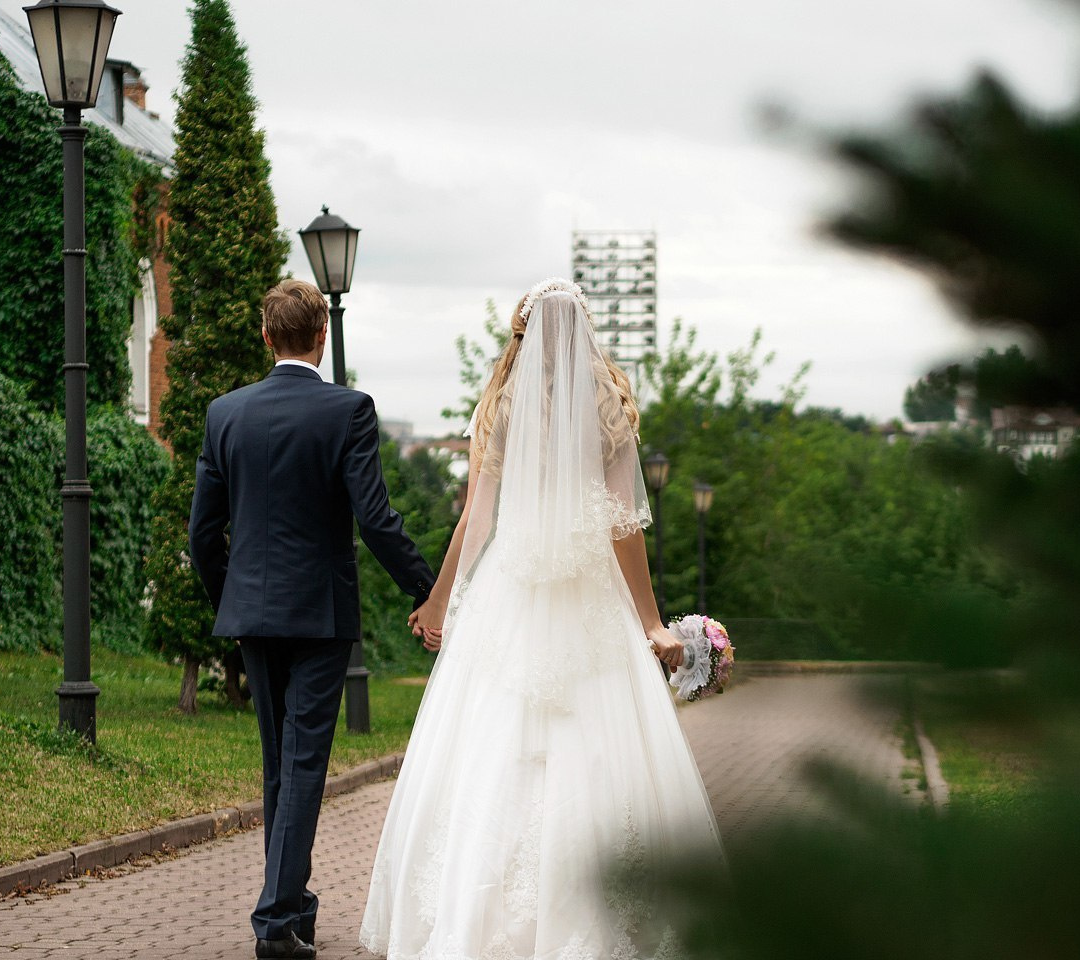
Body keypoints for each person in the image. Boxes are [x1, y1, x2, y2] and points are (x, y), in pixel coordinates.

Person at [360, 278, 724, 960]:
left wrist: (440, 598)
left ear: (522, 336)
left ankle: (479, 921)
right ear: (585, 334)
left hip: (513, 587)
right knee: (597, 737)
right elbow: (623, 526)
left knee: (494, 740)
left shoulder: (498, 405)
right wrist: (651, 622)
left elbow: (476, 519)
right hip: (589, 591)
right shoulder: (609, 405)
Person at [189, 278, 436, 960]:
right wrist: (426, 588)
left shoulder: (225, 414)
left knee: (281, 765)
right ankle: (276, 921)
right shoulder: (348, 410)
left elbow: (202, 535)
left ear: (266, 335)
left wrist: (232, 598)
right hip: (321, 616)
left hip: (253, 614)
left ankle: (293, 907)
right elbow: (375, 519)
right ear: (322, 337)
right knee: (301, 765)